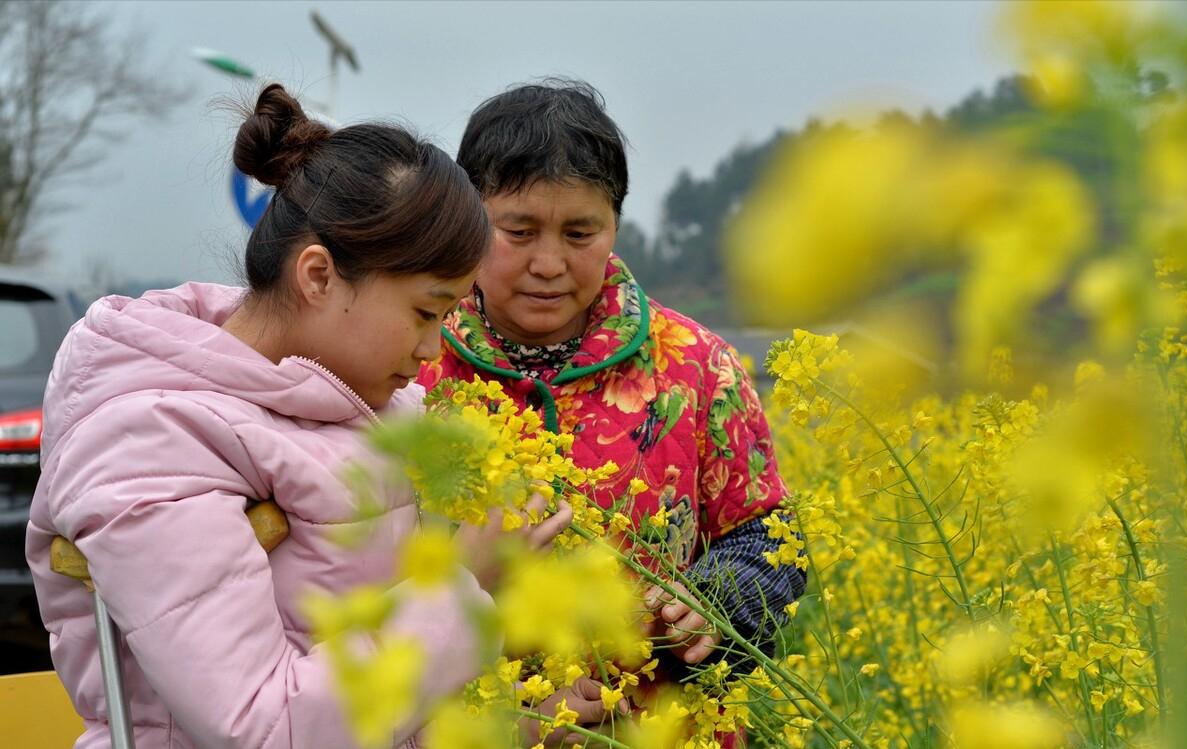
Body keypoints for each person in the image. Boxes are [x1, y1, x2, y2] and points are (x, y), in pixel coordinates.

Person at [25, 84, 572, 749]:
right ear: (317, 276)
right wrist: (462, 587)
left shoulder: (351, 398)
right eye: (424, 313)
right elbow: (264, 726)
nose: (433, 350)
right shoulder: (148, 437)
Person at [418, 80, 806, 701]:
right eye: (517, 232)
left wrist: (717, 601)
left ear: (616, 225)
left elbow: (768, 532)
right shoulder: (411, 365)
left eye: (580, 234)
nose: (549, 263)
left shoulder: (700, 367)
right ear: (466, 221)